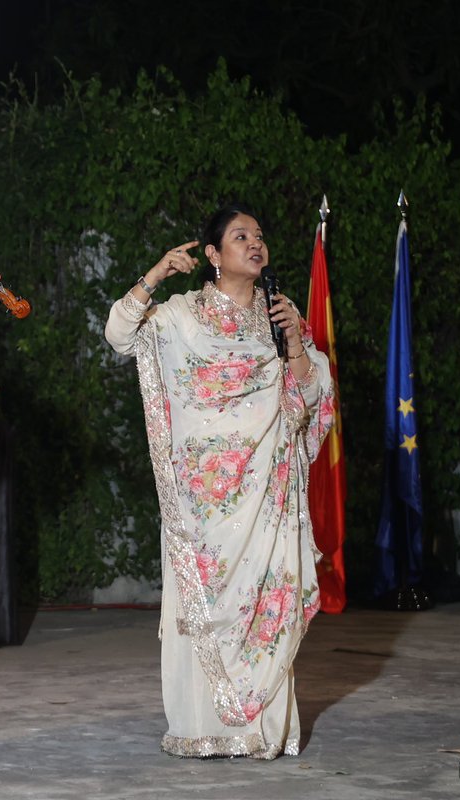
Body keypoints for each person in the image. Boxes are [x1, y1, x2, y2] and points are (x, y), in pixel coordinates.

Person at [104, 203, 337, 759]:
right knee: (209, 604)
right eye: (240, 236)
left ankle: (261, 732)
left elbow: (310, 398)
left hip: (267, 494)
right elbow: (119, 334)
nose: (255, 244)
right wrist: (155, 275)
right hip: (204, 501)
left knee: (268, 595)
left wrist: (298, 346)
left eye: (259, 235)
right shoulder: (183, 315)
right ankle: (202, 727)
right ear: (212, 255)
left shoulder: (282, 317)